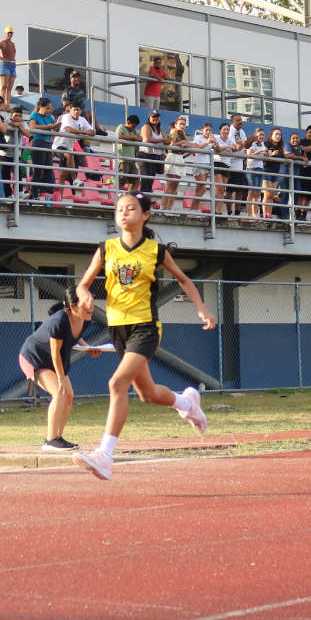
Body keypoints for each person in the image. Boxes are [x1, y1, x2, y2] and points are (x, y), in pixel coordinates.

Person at [71, 192, 216, 480]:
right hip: (118, 328)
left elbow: (183, 279)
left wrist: (201, 308)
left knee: (117, 383)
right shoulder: (106, 249)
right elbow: (82, 285)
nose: (123, 213)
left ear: (145, 215)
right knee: (147, 394)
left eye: (131, 208)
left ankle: (105, 455)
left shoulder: (155, 251)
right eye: (119, 209)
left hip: (145, 327)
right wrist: (85, 297)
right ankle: (187, 403)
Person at [19, 287, 100, 451]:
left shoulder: (85, 319)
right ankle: (50, 440)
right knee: (60, 392)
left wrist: (88, 348)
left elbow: (75, 337)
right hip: (34, 359)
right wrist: (61, 378)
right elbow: (55, 352)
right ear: (72, 306)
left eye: (91, 301)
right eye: (86, 303)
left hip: (52, 361)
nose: (90, 306)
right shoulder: (58, 321)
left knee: (69, 395)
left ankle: (58, 438)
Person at [0, 25, 17, 105]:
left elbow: (12, 53)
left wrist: (13, 59)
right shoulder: (3, 42)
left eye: (11, 33)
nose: (9, 35)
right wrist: (1, 58)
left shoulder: (13, 44)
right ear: (5, 33)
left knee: (9, 88)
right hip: (4, 65)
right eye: (8, 33)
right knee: (4, 86)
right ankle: (0, 104)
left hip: (12, 65)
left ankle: (7, 105)